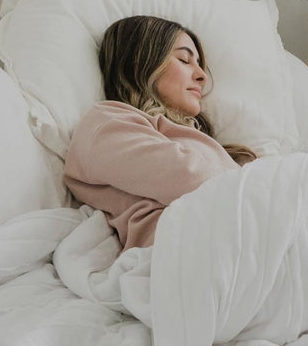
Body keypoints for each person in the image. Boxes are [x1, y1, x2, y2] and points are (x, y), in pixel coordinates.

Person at [64, 15, 256, 251]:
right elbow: (192, 178)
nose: (201, 75)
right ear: (141, 62)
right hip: (199, 246)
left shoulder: (194, 140)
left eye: (199, 64)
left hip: (239, 235)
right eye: (185, 60)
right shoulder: (106, 123)